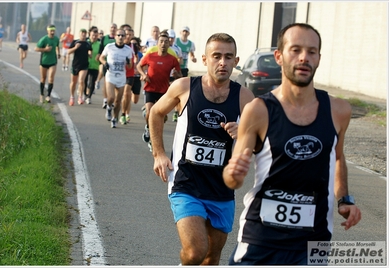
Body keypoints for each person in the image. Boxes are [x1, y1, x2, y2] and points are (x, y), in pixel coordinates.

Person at [222, 23, 362, 265]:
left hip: (314, 240)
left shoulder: (339, 110)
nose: (304, 58)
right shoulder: (258, 110)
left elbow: (337, 158)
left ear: (319, 57)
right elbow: (232, 179)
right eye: (295, 50)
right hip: (261, 238)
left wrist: (345, 200)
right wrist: (234, 172)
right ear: (279, 56)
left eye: (311, 51)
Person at [149, 33, 254, 265]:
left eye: (228, 57)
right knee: (195, 251)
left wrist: (245, 133)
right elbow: (156, 112)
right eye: (216, 56)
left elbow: (261, 142)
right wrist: (159, 153)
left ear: (236, 61)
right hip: (186, 182)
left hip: (221, 189)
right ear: (204, 59)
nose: (222, 62)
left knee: (211, 258)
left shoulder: (245, 97)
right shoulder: (185, 87)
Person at [136, 30, 182, 151]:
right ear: (157, 43)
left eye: (166, 42)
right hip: (150, 88)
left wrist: (177, 76)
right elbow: (139, 66)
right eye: (161, 41)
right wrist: (143, 75)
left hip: (164, 91)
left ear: (169, 44)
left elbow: (179, 74)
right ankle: (149, 130)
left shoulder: (172, 59)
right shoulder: (151, 56)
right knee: (150, 112)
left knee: (162, 117)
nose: (163, 44)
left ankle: (151, 132)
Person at [99, 28, 133, 128]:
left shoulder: (128, 50)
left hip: (121, 77)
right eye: (119, 35)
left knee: (118, 101)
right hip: (111, 75)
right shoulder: (109, 47)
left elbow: (130, 66)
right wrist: (105, 63)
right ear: (115, 37)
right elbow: (101, 57)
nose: (121, 37)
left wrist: (128, 62)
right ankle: (109, 107)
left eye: (123, 35)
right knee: (111, 98)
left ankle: (114, 118)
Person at [35, 24, 61, 103]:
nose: (52, 32)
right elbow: (36, 48)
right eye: (51, 31)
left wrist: (58, 53)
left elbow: (57, 46)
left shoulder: (56, 39)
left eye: (53, 31)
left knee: (51, 78)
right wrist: (45, 49)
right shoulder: (44, 39)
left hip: (53, 61)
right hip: (44, 61)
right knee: (43, 78)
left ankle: (48, 95)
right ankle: (42, 94)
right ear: (48, 31)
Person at [67, 28, 92, 106]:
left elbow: (90, 52)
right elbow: (68, 52)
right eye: (82, 33)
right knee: (73, 82)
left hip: (84, 65)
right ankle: (72, 97)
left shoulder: (88, 43)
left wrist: (90, 53)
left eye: (85, 33)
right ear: (79, 34)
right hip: (75, 65)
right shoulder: (75, 42)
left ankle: (80, 97)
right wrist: (75, 47)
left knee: (81, 81)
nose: (83, 34)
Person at [95, 23, 117, 109]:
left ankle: (112, 100)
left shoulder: (118, 38)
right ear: (109, 29)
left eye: (114, 28)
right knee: (106, 82)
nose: (113, 29)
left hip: (116, 64)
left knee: (115, 84)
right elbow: (101, 49)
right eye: (111, 27)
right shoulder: (104, 38)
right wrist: (99, 56)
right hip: (106, 63)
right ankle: (105, 99)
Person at [166, 29, 183, 122]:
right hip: (163, 74)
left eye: (172, 38)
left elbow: (180, 59)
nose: (170, 40)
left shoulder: (177, 48)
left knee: (176, 93)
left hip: (173, 74)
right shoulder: (163, 47)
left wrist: (178, 65)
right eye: (169, 38)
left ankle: (176, 112)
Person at [120, 27, 136, 125]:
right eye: (127, 35)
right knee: (119, 96)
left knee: (127, 94)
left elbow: (138, 57)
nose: (128, 37)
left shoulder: (133, 46)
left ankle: (124, 114)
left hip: (130, 74)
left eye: (130, 35)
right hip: (119, 74)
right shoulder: (118, 45)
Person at [84, 26, 100, 104]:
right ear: (89, 34)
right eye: (93, 35)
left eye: (96, 36)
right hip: (85, 65)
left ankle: (89, 97)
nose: (94, 37)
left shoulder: (99, 44)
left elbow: (102, 54)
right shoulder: (85, 42)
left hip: (95, 66)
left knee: (92, 82)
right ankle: (85, 94)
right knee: (85, 81)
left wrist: (99, 56)